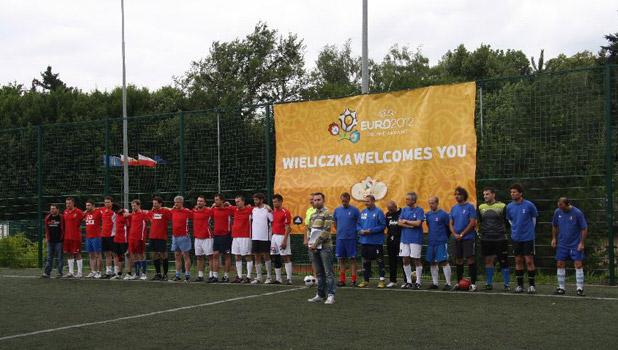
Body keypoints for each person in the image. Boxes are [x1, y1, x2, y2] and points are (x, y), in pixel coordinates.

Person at [506, 184, 539, 294]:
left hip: (528, 237)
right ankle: (520, 285)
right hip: (516, 238)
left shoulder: (529, 205)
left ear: (520, 193)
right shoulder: (509, 206)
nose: (512, 194)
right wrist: (516, 229)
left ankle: (532, 286)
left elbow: (534, 219)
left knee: (529, 261)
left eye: (514, 192)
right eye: (511, 192)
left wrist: (529, 231)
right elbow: (510, 220)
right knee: (518, 260)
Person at [552, 197, 588, 296]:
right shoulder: (557, 212)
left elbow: (584, 228)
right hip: (562, 243)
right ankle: (561, 288)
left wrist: (582, 242)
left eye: (561, 205)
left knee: (578, 264)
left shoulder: (577, 213)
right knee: (559, 263)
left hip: (575, 243)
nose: (560, 207)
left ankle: (579, 288)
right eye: (558, 205)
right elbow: (554, 226)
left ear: (567, 204)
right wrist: (554, 238)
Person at [478, 188, 510, 291]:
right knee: (488, 260)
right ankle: (489, 283)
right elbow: (480, 221)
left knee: (503, 261)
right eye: (484, 195)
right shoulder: (480, 207)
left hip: (500, 238)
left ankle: (506, 284)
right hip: (486, 238)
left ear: (493, 195)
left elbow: (507, 222)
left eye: (487, 194)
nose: (485, 196)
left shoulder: (502, 206)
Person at [306, 192, 336, 304]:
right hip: (314, 248)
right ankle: (320, 295)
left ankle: (331, 295)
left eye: (319, 199)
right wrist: (310, 243)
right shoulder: (313, 215)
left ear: (323, 200)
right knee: (319, 273)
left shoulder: (327, 213)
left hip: (325, 247)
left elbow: (326, 231)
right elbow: (309, 230)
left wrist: (316, 243)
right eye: (315, 200)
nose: (317, 201)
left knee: (328, 272)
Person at [449, 187, 478, 291]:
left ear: (464, 195)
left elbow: (472, 223)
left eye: (459, 194)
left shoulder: (470, 207)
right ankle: (459, 282)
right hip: (457, 238)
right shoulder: (453, 208)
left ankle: (473, 284)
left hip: (468, 238)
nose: (457, 196)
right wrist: (455, 234)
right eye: (455, 194)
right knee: (459, 259)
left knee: (470, 259)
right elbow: (451, 223)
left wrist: (462, 234)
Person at [356, 195, 387, 288]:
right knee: (366, 261)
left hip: (376, 242)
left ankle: (382, 280)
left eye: (368, 201)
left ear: (373, 201)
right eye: (365, 201)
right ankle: (366, 280)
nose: (366, 203)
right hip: (365, 241)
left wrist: (371, 230)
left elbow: (383, 225)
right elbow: (358, 225)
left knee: (379, 261)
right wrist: (360, 230)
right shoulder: (363, 212)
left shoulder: (379, 212)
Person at [398, 192, 425, 289]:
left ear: (414, 200)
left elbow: (418, 223)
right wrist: (409, 225)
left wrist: (406, 221)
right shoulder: (404, 209)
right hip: (404, 239)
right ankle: (408, 282)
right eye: (406, 199)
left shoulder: (419, 210)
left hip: (415, 239)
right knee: (405, 259)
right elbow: (399, 222)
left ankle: (418, 281)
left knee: (416, 259)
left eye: (408, 199)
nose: (406, 201)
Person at [425, 196, 452, 290]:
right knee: (432, 262)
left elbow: (449, 228)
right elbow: (429, 225)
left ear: (437, 203)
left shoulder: (444, 214)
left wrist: (444, 238)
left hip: (441, 241)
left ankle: (448, 283)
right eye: (429, 203)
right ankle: (435, 283)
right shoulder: (427, 214)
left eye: (432, 203)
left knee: (444, 262)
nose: (431, 205)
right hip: (431, 242)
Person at [333, 192, 360, 287]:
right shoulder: (337, 210)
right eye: (342, 201)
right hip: (340, 239)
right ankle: (342, 280)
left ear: (349, 200)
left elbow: (359, 223)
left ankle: (353, 280)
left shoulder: (355, 210)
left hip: (351, 238)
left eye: (345, 201)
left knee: (352, 259)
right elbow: (335, 223)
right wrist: (340, 232)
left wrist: (352, 232)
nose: (344, 202)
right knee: (341, 260)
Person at [147, 196, 172, 281]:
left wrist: (168, 208)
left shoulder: (165, 211)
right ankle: (158, 274)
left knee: (163, 255)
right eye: (153, 203)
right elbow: (148, 216)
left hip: (161, 237)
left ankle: (165, 274)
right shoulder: (152, 212)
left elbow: (171, 216)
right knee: (154, 255)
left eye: (156, 203)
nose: (154, 205)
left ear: (160, 204)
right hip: (152, 237)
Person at [230, 195, 254, 283]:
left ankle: (248, 277)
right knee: (237, 256)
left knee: (248, 256)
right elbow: (224, 205)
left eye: (238, 201)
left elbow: (263, 207)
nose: (237, 203)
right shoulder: (234, 209)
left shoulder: (250, 209)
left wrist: (267, 207)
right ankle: (239, 277)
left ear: (243, 201)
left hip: (245, 236)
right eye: (236, 202)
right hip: (235, 237)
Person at [271, 194, 294, 284]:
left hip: (282, 236)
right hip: (274, 237)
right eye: (273, 202)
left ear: (280, 201)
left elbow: (288, 227)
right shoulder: (273, 212)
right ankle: (278, 279)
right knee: (276, 257)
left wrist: (284, 240)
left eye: (276, 201)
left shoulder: (285, 212)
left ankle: (289, 279)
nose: (274, 203)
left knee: (286, 256)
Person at [251, 193, 274, 284]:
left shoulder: (267, 209)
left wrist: (270, 211)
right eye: (254, 200)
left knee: (266, 256)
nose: (255, 201)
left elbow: (272, 221)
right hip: (255, 237)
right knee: (256, 256)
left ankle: (269, 277)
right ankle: (259, 277)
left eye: (256, 200)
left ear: (261, 200)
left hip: (265, 237)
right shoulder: (254, 210)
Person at [170, 195, 194, 282]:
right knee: (177, 256)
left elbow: (195, 215)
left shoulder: (187, 211)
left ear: (182, 203)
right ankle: (177, 275)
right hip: (175, 236)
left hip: (184, 236)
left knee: (185, 255)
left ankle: (187, 275)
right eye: (175, 202)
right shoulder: (173, 211)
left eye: (178, 202)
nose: (176, 204)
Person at [212, 194, 234, 282]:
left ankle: (226, 276)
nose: (215, 201)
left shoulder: (229, 210)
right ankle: (215, 276)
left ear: (222, 201)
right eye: (215, 200)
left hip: (226, 236)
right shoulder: (214, 209)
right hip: (216, 236)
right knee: (215, 255)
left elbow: (239, 208)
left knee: (227, 255)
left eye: (217, 200)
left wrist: (230, 205)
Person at [124, 199, 148, 280]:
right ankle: (137, 274)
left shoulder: (143, 213)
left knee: (141, 255)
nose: (133, 207)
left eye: (134, 205)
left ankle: (144, 274)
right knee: (133, 256)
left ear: (139, 205)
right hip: (132, 238)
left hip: (140, 238)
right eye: (132, 206)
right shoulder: (132, 214)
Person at [193, 195, 214, 282]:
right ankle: (200, 276)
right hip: (197, 238)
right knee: (199, 257)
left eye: (201, 201)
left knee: (210, 257)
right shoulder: (193, 211)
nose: (199, 202)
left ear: (205, 203)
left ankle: (211, 275)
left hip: (207, 237)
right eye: (198, 201)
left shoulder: (209, 211)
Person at [62, 197, 84, 278]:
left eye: (69, 203)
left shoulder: (78, 211)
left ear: (73, 203)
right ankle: (71, 272)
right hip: (67, 237)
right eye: (66, 203)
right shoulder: (65, 212)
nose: (67, 205)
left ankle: (79, 272)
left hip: (76, 236)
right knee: (69, 253)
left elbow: (85, 218)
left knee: (77, 253)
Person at [385, 200, 404, 288]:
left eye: (391, 209)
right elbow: (388, 227)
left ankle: (407, 280)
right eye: (389, 209)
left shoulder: (402, 212)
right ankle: (393, 280)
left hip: (401, 240)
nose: (390, 211)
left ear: (395, 207)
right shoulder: (387, 214)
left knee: (403, 260)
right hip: (390, 241)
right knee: (391, 261)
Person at [43, 204, 64, 278]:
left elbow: (64, 228)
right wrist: (46, 237)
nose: (52, 210)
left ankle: (59, 273)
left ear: (57, 210)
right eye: (51, 208)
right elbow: (46, 229)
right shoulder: (47, 218)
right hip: (50, 241)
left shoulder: (61, 217)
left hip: (59, 241)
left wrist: (63, 238)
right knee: (49, 257)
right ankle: (47, 273)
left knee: (59, 257)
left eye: (53, 208)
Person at [84, 199, 103, 278]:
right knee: (91, 255)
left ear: (93, 206)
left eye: (89, 205)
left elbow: (105, 210)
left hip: (96, 237)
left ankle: (99, 272)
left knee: (98, 254)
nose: (87, 207)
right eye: (86, 205)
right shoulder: (86, 213)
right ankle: (93, 271)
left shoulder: (98, 212)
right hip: (88, 237)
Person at [110, 204, 129, 279]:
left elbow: (128, 225)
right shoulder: (116, 215)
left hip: (124, 239)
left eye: (116, 211)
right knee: (119, 256)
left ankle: (129, 273)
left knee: (127, 255)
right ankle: (119, 273)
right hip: (117, 238)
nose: (115, 212)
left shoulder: (125, 213)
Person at [100, 196, 116, 278]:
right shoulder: (102, 210)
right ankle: (108, 271)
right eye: (105, 202)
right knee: (107, 254)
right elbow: (92, 210)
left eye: (108, 202)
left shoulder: (115, 211)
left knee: (115, 254)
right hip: (104, 235)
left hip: (112, 235)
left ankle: (117, 272)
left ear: (112, 203)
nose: (106, 204)